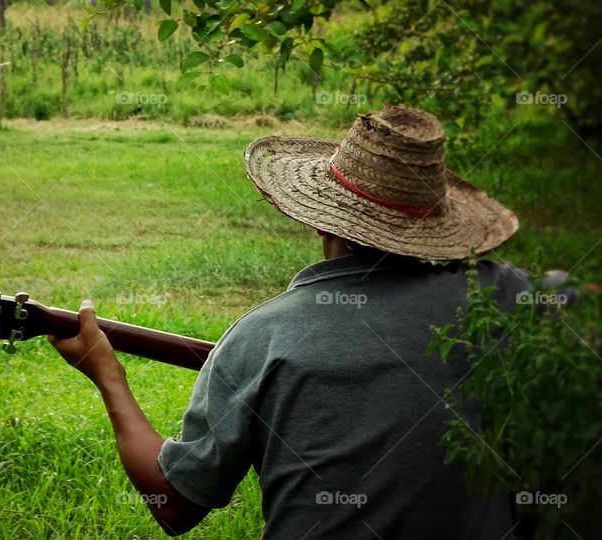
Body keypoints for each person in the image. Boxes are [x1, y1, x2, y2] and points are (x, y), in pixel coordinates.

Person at [49, 105, 528, 538]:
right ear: (437, 225)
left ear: (321, 217)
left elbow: (175, 504)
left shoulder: (265, 336)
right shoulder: (503, 296)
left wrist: (107, 373)